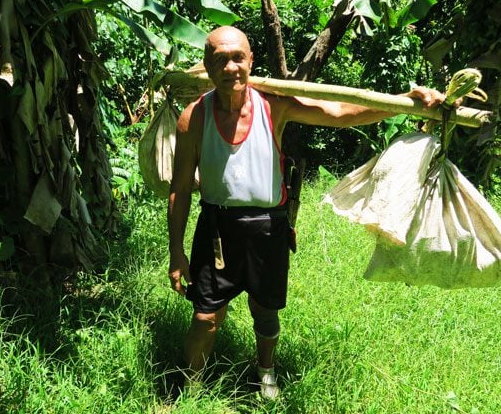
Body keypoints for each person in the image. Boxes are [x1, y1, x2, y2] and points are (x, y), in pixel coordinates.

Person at [167, 26, 445, 398]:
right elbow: (180, 188)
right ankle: (192, 386)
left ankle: (265, 373)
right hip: (217, 228)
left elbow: (340, 113)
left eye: (237, 58)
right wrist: (175, 251)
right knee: (205, 316)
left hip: (268, 226)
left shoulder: (273, 104)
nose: (231, 67)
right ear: (207, 66)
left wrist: (404, 102)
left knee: (265, 310)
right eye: (220, 59)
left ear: (250, 61)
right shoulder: (193, 118)